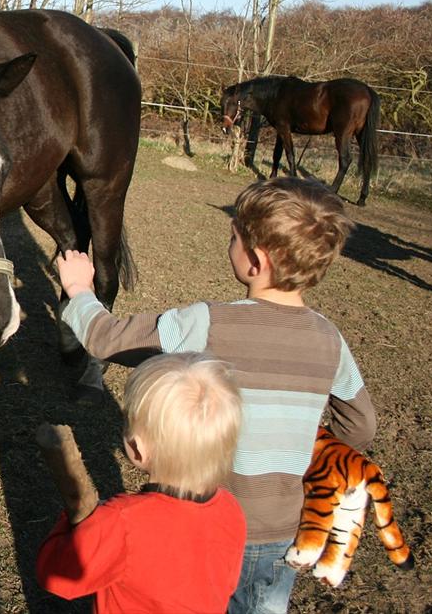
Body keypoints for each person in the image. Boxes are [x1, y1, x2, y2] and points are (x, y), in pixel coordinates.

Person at [56, 176, 377, 614]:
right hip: (287, 526)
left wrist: (79, 291)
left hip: (207, 519)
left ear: (255, 262)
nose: (229, 244)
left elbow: (108, 339)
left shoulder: (208, 323)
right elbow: (360, 424)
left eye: (234, 237)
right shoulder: (330, 339)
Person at [36, 352, 246, 613]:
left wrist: (75, 523)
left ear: (136, 448)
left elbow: (56, 576)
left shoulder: (121, 522)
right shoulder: (231, 510)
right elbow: (226, 585)